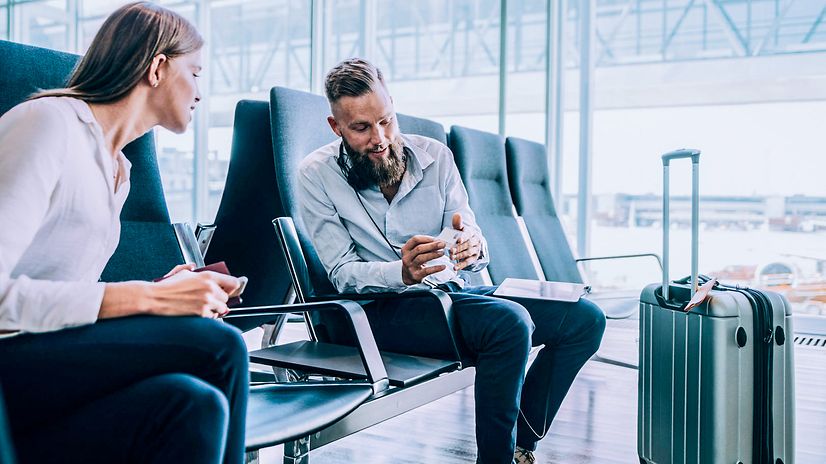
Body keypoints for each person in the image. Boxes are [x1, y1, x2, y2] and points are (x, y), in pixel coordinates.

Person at [298, 58, 606, 464]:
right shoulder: (316, 174)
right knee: (509, 323)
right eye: (361, 128)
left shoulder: (436, 157)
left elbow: (469, 234)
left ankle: (518, 443)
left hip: (449, 294)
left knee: (584, 318)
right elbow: (340, 273)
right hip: (376, 311)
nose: (380, 138)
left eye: (386, 121)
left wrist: (473, 249)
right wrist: (401, 273)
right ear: (336, 127)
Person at [0, 3, 248, 463]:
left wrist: (162, 290)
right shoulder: (48, 124)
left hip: (43, 355)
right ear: (157, 67)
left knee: (195, 405)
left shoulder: (118, 170)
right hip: (10, 357)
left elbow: (66, 292)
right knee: (219, 347)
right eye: (195, 73)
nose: (199, 93)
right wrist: (148, 300)